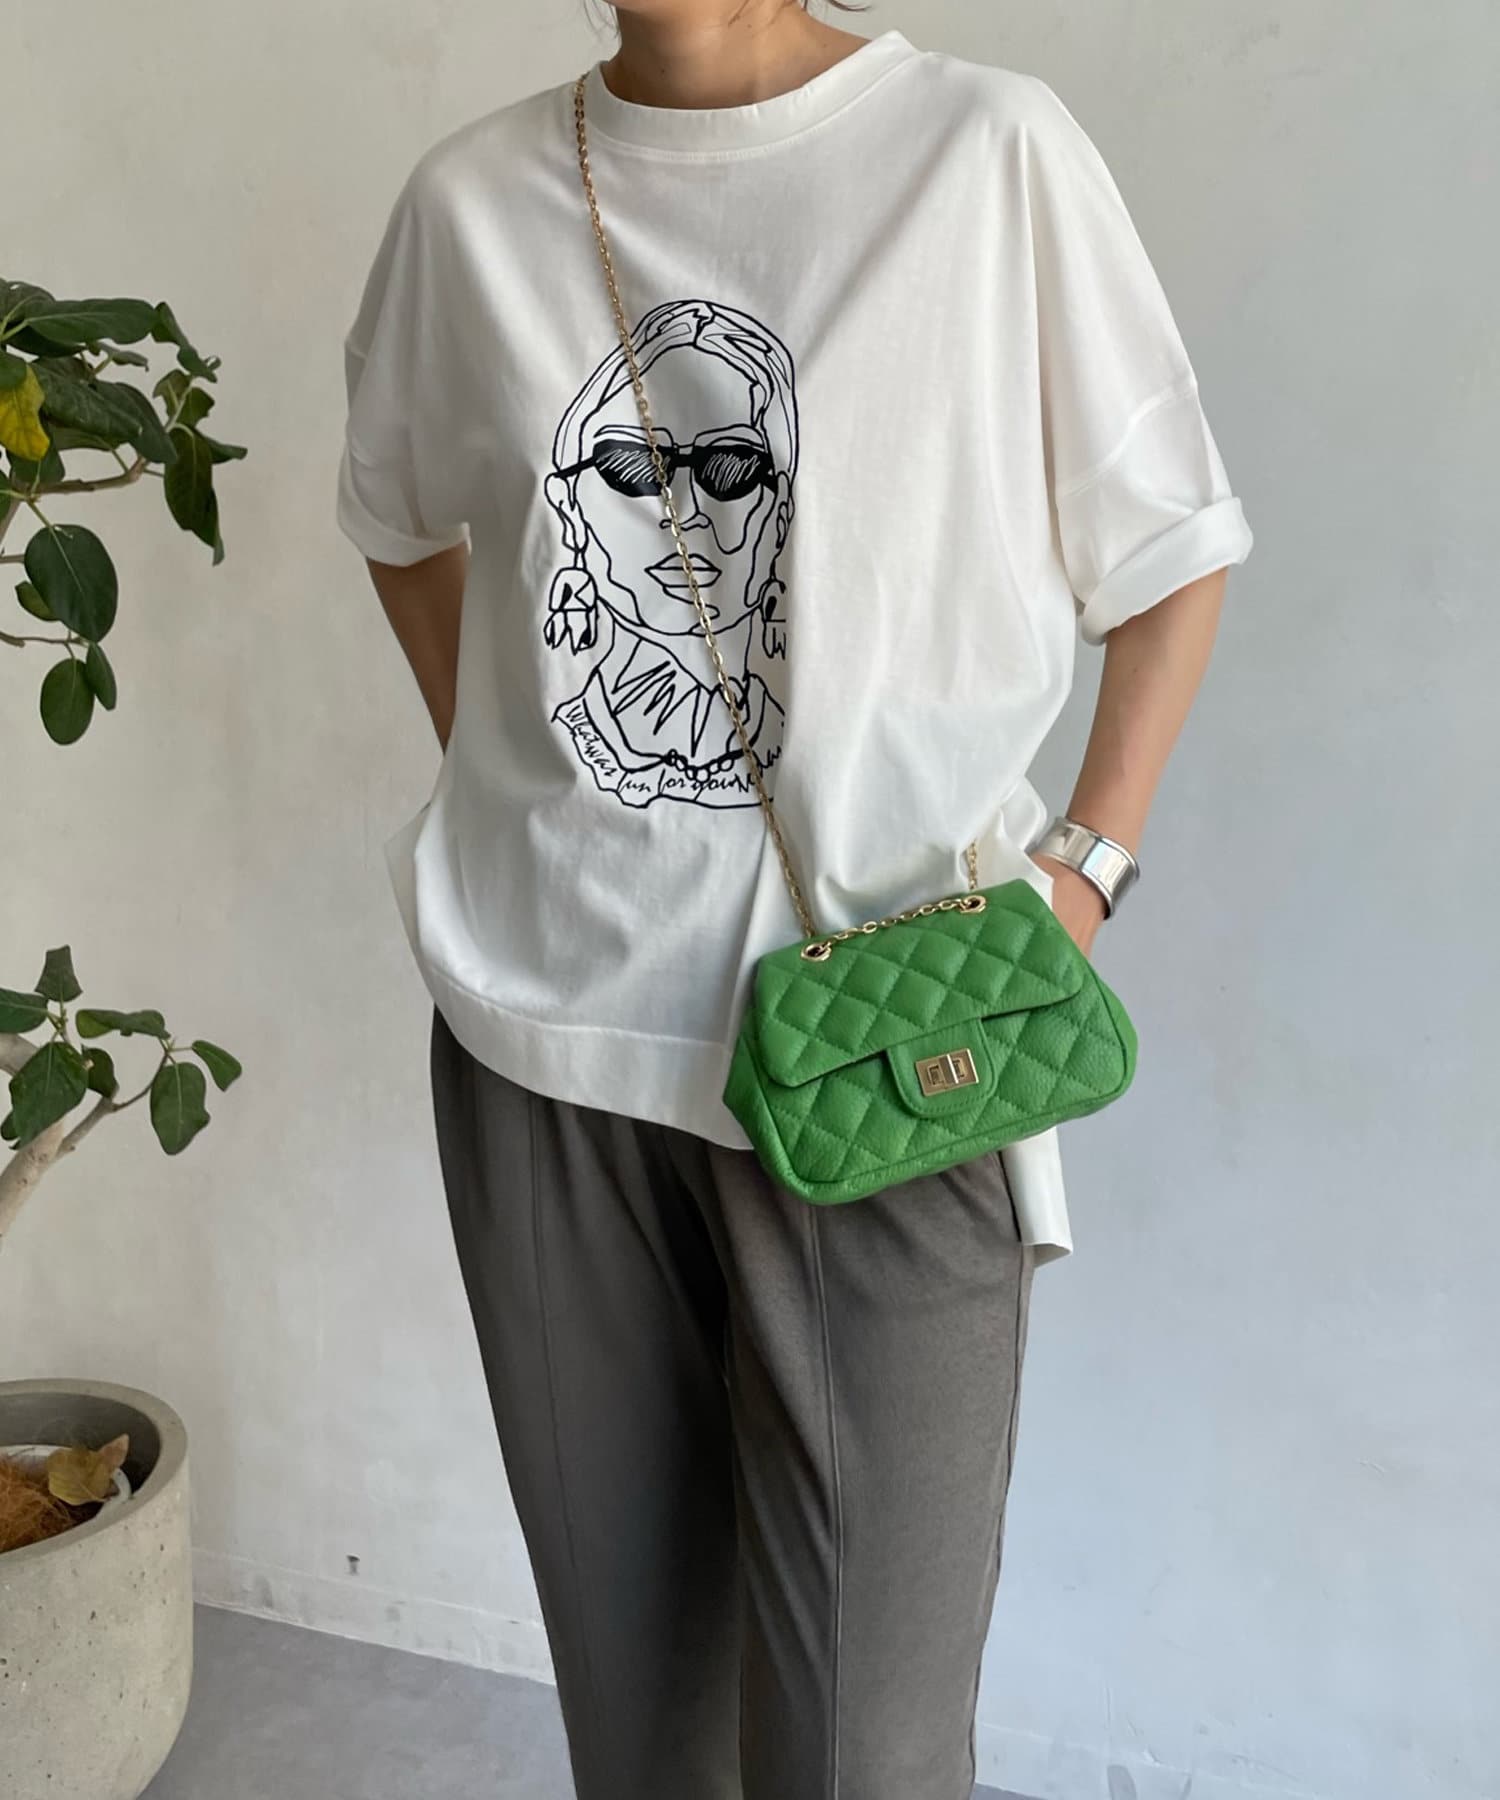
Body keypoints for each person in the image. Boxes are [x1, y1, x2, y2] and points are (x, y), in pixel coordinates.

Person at [335, 4, 1253, 1797]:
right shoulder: (469, 204)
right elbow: (398, 518)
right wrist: (515, 775)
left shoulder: (986, 156)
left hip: (898, 1053)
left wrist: (1083, 875)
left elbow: (1170, 556)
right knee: (641, 1730)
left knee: (868, 1754)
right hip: (547, 1059)